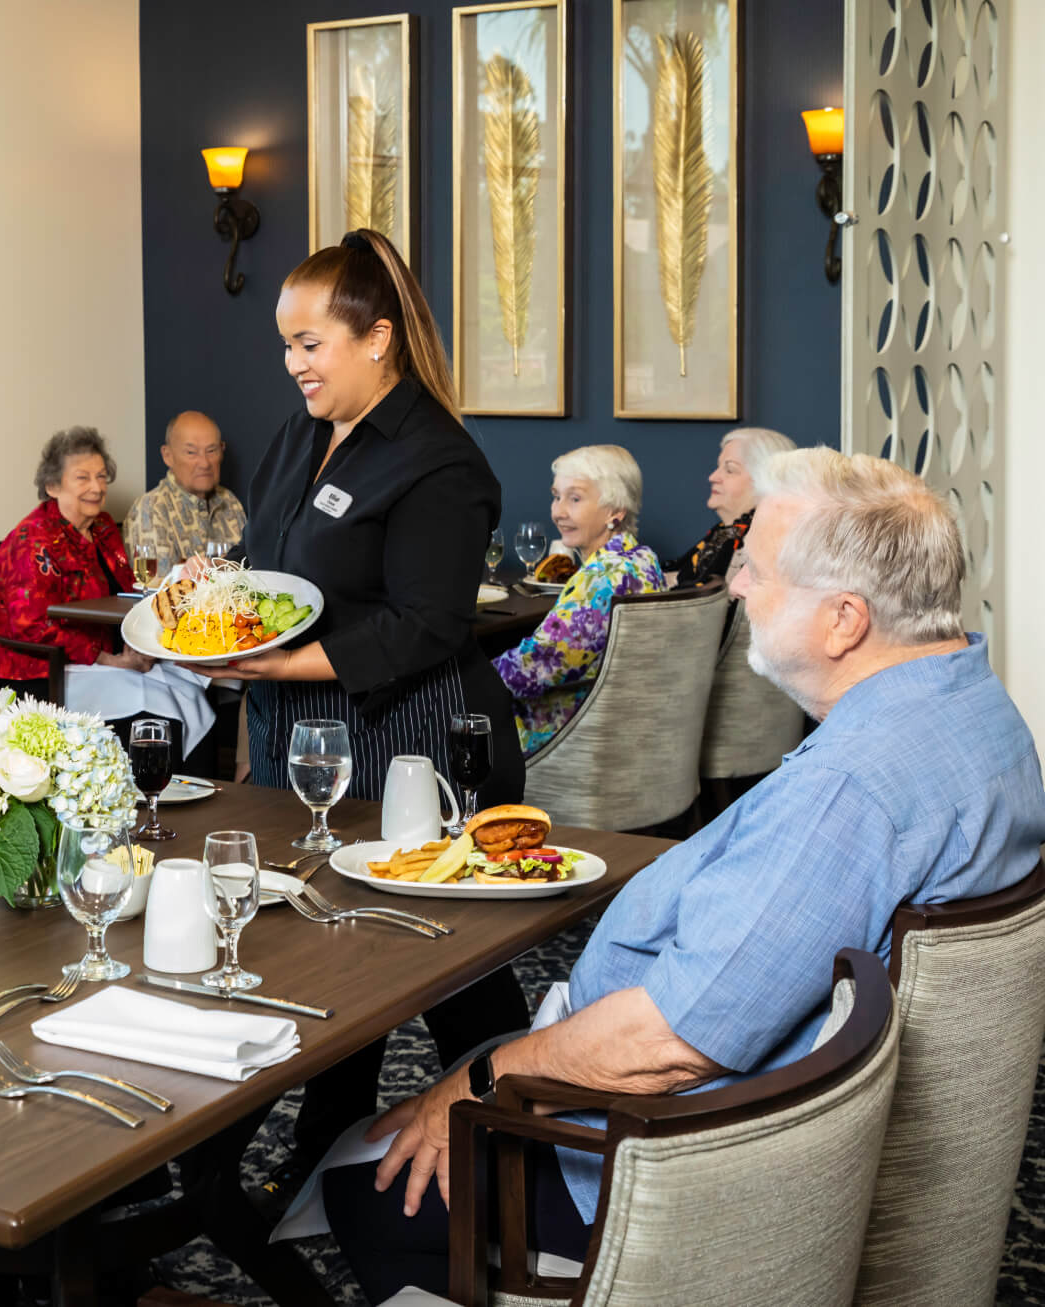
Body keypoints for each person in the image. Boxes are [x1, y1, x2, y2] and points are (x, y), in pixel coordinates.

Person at [309, 449, 1045, 1302]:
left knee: (362, 1192)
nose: (734, 586)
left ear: (844, 620)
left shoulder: (852, 791)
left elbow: (670, 1047)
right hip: (738, 1109)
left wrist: (481, 1081)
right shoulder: (973, 707)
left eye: (755, 570)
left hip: (668, 1156)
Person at [180, 228, 531, 1199]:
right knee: (330, 944)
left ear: (375, 337)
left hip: (412, 731)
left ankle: (527, 1136)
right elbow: (277, 567)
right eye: (286, 345)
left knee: (436, 955)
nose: (292, 364)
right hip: (307, 726)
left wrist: (280, 658)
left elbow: (427, 623)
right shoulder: (302, 435)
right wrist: (224, 589)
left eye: (309, 343)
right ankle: (308, 1167)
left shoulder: (438, 461)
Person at [0, 426, 216, 756]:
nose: (96, 487)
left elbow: (127, 593)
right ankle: (156, 799)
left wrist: (142, 644)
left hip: (104, 656)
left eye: (102, 476)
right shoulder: (31, 543)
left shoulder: (103, 527)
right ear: (52, 486)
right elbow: (33, 628)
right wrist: (113, 660)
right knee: (156, 709)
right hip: (42, 671)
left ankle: (196, 797)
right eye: (82, 478)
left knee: (188, 685)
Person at [493, 445, 666, 756]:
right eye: (556, 496)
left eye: (575, 498)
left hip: (563, 733)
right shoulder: (641, 560)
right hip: (620, 723)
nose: (559, 511)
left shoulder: (605, 578)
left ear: (616, 510)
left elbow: (539, 664)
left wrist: (457, 683)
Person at [664, 426, 797, 588]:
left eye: (730, 470)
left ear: (766, 483)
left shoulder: (758, 548)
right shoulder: (721, 534)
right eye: (719, 467)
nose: (713, 477)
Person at [123, 410, 247, 564]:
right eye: (191, 452)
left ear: (222, 450)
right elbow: (157, 585)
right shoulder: (151, 509)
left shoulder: (230, 502)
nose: (204, 463)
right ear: (167, 455)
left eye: (211, 450)